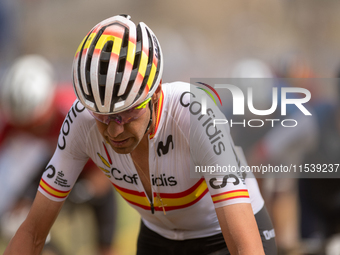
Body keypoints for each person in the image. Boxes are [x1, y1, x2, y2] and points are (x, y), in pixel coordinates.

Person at [4, 15, 277, 255]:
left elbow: (244, 246)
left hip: (221, 234)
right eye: (102, 115)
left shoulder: (196, 115)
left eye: (126, 113)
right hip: (158, 237)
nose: (114, 129)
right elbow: (32, 232)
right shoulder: (81, 121)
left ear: (155, 95)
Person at [0, 55, 118, 255]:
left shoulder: (75, 112)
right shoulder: (13, 120)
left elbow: (112, 165)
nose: (33, 131)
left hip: (94, 165)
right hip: (56, 161)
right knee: (16, 218)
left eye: (38, 124)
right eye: (26, 127)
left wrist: (86, 190)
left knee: (105, 230)